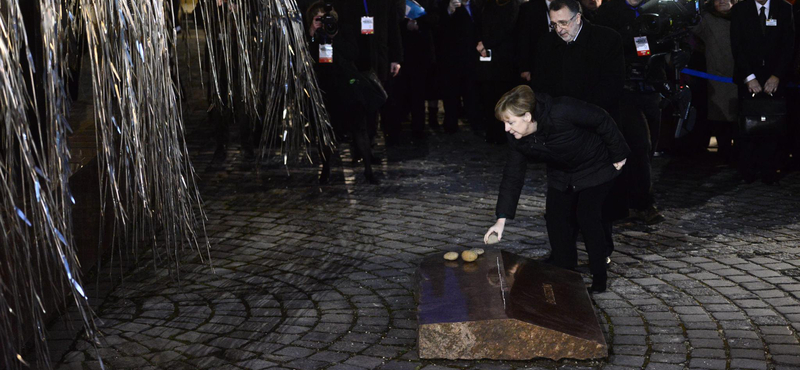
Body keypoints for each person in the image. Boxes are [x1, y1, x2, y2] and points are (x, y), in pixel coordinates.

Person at [484, 85, 630, 293]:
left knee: (587, 216)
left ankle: (599, 278)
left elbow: (601, 118)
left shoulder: (561, 110)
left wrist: (619, 154)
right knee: (556, 219)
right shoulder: (517, 137)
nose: (506, 129)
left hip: (595, 165)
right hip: (562, 172)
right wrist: (501, 220)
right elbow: (513, 176)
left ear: (527, 116)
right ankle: (565, 273)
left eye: (510, 122)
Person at [595, 0, 667, 224]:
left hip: (651, 87)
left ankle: (634, 198)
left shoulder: (660, 8)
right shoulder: (609, 10)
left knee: (649, 147)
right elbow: (603, 46)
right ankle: (642, 203)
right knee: (638, 144)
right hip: (623, 89)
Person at [306, 1, 383, 184]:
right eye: (319, 19)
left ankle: (368, 170)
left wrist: (334, 36)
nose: (325, 23)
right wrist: (313, 33)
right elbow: (309, 58)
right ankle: (325, 169)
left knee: (359, 129)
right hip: (327, 87)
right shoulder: (312, 35)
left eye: (327, 19)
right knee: (327, 132)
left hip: (348, 86)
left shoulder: (344, 30)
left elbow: (353, 53)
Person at [730, 0, 795, 183]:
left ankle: (769, 170)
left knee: (773, 124)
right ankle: (747, 170)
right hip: (748, 77)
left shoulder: (784, 8)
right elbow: (737, 45)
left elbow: (788, 44)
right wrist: (749, 77)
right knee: (748, 123)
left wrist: (777, 76)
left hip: (775, 79)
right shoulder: (740, 9)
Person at [531, 0, 624, 117]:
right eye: (554, 24)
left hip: (597, 117)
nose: (559, 30)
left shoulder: (607, 39)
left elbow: (612, 86)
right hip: (558, 120)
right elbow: (540, 85)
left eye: (563, 23)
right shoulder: (546, 43)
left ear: (578, 18)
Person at [691, 0, 739, 162]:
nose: (723, 1)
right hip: (718, 78)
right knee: (721, 119)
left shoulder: (744, 17)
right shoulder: (707, 19)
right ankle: (724, 155)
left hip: (742, 77)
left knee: (740, 119)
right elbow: (692, 27)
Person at [475, 0, 521, 144]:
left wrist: (486, 43)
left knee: (504, 97)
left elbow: (507, 27)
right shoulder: (487, 4)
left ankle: (503, 134)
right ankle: (492, 133)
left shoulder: (512, 4)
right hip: (489, 59)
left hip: (505, 59)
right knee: (490, 96)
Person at [436, 0, 480, 134]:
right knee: (451, 93)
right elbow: (439, 27)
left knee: (471, 92)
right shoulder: (446, 5)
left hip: (472, 56)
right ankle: (451, 124)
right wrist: (449, 11)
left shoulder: (477, 5)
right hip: (451, 58)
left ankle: (475, 122)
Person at [515, 0, 552, 84]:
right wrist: (524, 67)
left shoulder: (568, 5)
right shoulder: (528, 8)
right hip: (536, 64)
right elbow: (522, 38)